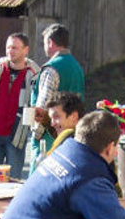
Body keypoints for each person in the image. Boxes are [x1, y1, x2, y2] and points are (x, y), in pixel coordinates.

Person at [0, 33, 40, 179]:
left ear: (26, 50)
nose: (10, 51)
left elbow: (39, 105)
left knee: (13, 180)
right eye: (8, 47)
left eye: (15, 48)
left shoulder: (34, 74)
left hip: (16, 136)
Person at [29, 23, 85, 161]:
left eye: (44, 43)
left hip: (50, 135)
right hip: (73, 132)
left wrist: (36, 136)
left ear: (50, 42)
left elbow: (42, 107)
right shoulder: (77, 66)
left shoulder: (51, 68)